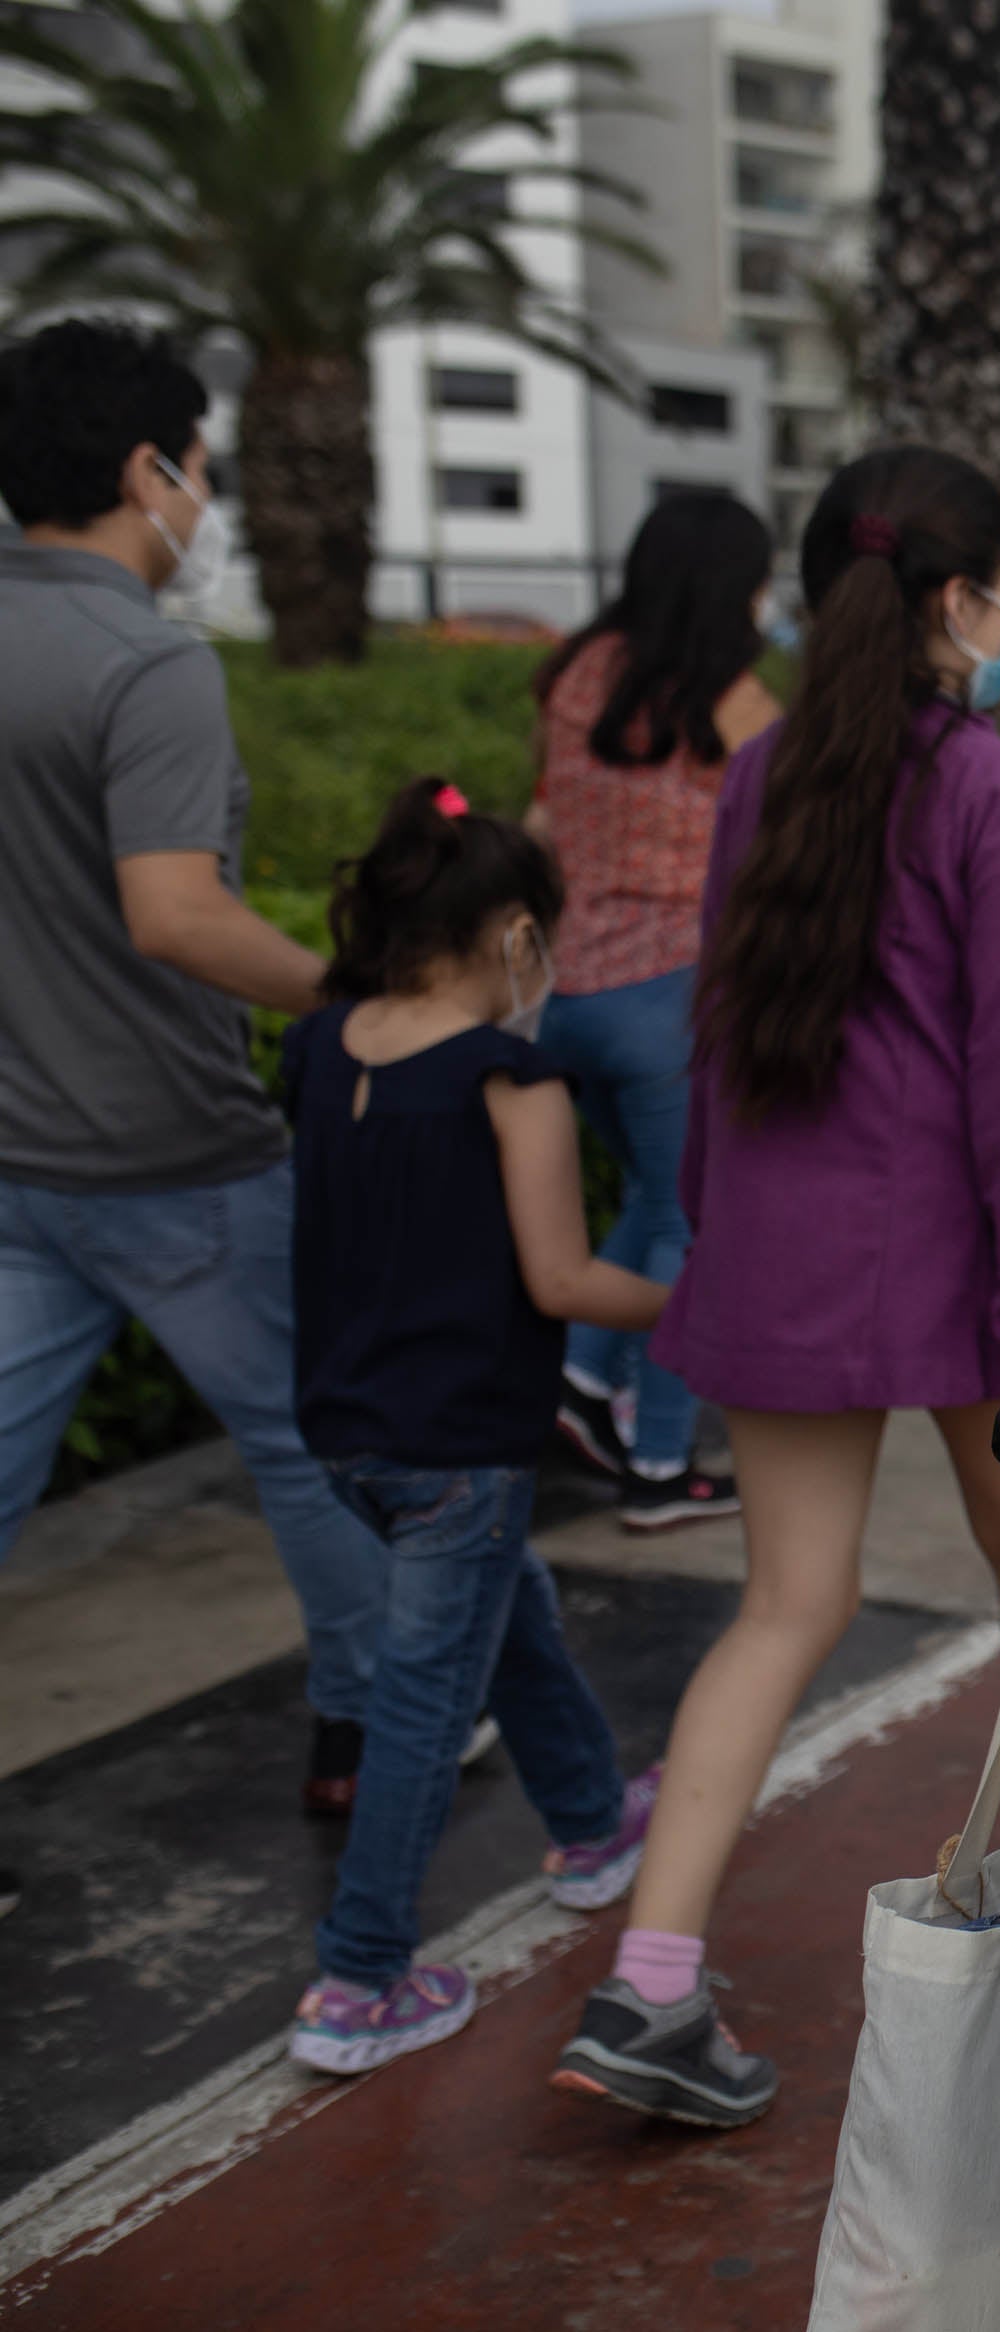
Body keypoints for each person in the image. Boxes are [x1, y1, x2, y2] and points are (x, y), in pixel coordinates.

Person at [551, 447, 1000, 2128]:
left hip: (789, 1257)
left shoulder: (767, 770)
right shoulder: (998, 795)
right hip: (961, 1262)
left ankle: (650, 1982)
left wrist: (718, 1249)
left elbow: (722, 1039)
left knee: (781, 1606)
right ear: (963, 603)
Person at [0, 319, 395, 1825]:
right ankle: (366, 1732)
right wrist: (359, 997)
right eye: (202, 471)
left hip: (16, 1165)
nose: (205, 504)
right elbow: (175, 913)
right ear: (144, 469)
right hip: (180, 1159)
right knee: (312, 1446)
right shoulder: (144, 666)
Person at [282, 781, 663, 2074]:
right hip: (460, 1442)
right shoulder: (512, 1078)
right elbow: (562, 1282)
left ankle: (592, 1822)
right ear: (514, 936)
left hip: (345, 1432)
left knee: (510, 1619)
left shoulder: (325, 1042)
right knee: (423, 1704)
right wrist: (698, 1303)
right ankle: (360, 1978)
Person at [526, 490, 780, 1529]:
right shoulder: (732, 701)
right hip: (672, 995)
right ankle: (664, 1464)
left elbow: (547, 811)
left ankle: (583, 1383)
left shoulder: (577, 673)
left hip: (562, 990)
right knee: (699, 1225)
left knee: (647, 1190)